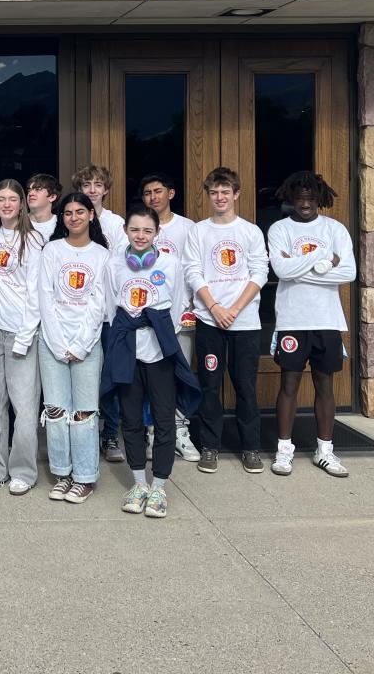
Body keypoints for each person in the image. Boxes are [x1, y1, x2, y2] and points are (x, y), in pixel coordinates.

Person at [103, 204, 201, 519]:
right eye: (135, 230)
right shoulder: (114, 264)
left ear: (157, 233)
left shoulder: (171, 264)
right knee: (131, 419)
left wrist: (160, 331)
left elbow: (177, 305)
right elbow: (110, 308)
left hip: (160, 351)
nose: (141, 236)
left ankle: (159, 486)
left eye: (147, 230)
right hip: (127, 350)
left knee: (163, 419)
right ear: (125, 231)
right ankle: (139, 483)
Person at [15, 192, 110, 504]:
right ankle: (62, 473)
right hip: (52, 342)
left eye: (80, 211)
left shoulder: (101, 255)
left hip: (87, 344)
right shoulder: (52, 250)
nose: (74, 217)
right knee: (55, 411)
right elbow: (44, 296)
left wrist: (80, 345)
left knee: (84, 413)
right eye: (68, 212)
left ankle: (84, 477)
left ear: (91, 215)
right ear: (62, 218)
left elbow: (99, 304)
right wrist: (57, 343)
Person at [267, 172, 356, 479]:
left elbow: (348, 273)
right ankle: (284, 450)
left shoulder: (335, 229)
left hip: (327, 319)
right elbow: (281, 270)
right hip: (292, 318)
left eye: (310, 197)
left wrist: (298, 267)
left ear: (320, 199)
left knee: (325, 385)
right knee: (289, 384)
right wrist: (324, 258)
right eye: (300, 197)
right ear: (291, 198)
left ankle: (325, 451)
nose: (305, 203)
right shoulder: (280, 229)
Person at [182, 167, 269, 475]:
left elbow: (260, 272)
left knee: (245, 386)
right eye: (214, 192)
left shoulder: (250, 231)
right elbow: (192, 271)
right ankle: (210, 447)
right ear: (208, 195)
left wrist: (235, 308)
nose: (219, 197)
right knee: (209, 385)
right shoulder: (199, 231)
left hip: (245, 322)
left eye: (225, 192)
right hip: (210, 320)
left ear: (236, 194)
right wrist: (215, 307)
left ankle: (250, 448)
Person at [0, 179, 47, 495]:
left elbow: (36, 293)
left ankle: (23, 471)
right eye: (1, 199)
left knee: (25, 407)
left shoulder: (34, 239)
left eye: (12, 199)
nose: (6, 204)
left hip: (21, 331)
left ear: (21, 205)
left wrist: (25, 335)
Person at [140, 173, 201, 465]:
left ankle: (179, 431)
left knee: (180, 372)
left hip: (182, 313)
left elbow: (195, 269)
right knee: (153, 375)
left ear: (171, 193)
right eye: (148, 193)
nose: (153, 197)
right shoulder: (140, 226)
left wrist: (192, 305)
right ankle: (154, 432)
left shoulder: (188, 228)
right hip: (148, 315)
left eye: (158, 191)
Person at [72, 163, 127, 464]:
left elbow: (120, 266)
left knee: (109, 376)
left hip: (108, 314)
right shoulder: (71, 218)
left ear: (106, 189)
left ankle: (110, 434)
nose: (92, 190)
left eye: (97, 184)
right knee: (81, 376)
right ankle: (82, 433)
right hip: (76, 312)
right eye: (86, 185)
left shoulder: (116, 224)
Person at [26, 173, 62, 240]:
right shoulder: (17, 222)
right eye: (29, 190)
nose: (30, 193)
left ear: (52, 197)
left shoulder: (62, 223)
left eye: (37, 189)